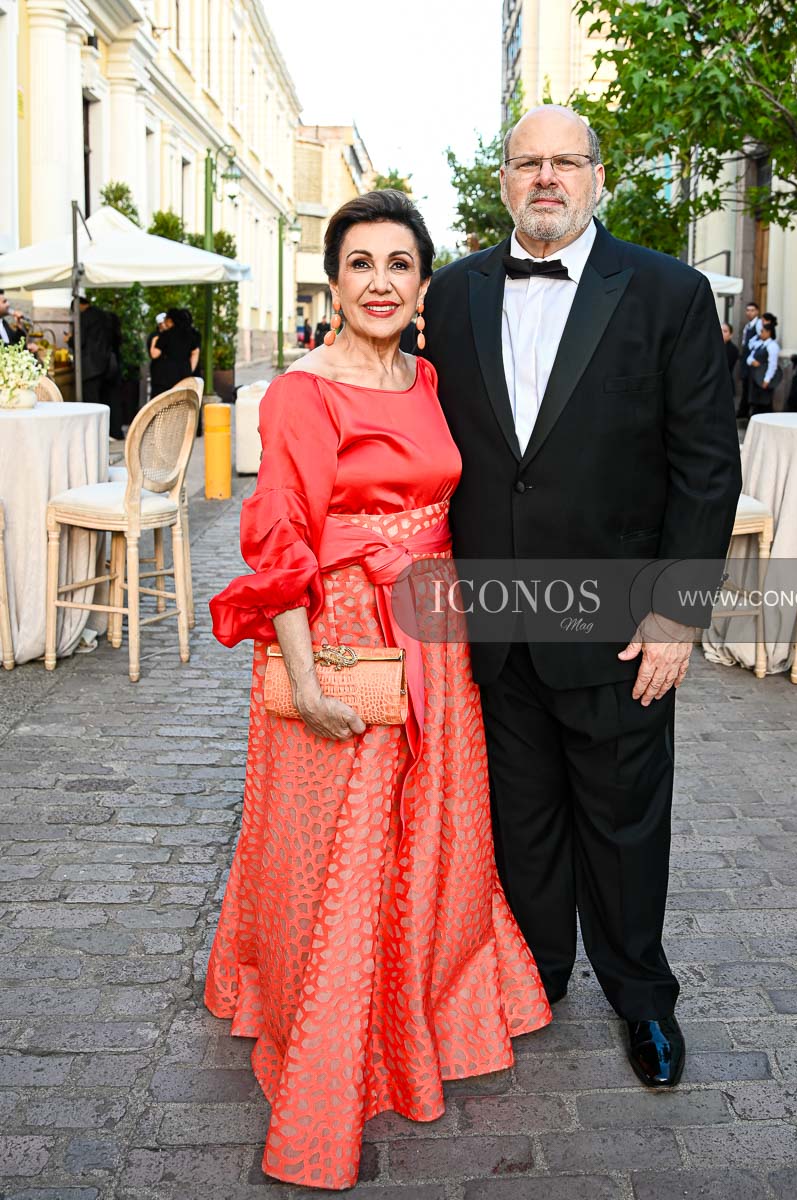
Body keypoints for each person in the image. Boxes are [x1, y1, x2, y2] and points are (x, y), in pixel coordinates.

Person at [207, 189, 550, 1190]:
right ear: (332, 283)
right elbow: (279, 542)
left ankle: (421, 1009)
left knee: (434, 829)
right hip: (345, 634)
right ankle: (333, 1037)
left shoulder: (427, 377)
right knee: (345, 846)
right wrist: (302, 675)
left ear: (423, 281)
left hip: (433, 627)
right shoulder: (300, 393)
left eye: (399, 264)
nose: (381, 282)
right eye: (361, 264)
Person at [422, 106, 741, 1090]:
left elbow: (706, 469)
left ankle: (643, 998)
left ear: (599, 176)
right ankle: (537, 980)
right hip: (492, 619)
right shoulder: (453, 293)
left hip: (618, 622)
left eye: (567, 161)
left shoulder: (669, 292)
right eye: (529, 162)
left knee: (624, 823)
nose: (547, 177)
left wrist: (678, 615)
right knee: (522, 820)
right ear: (504, 181)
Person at [65, 297, 121, 419]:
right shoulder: (103, 315)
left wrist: (69, 340)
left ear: (79, 306)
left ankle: (92, 427)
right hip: (105, 364)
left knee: (91, 403)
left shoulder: (84, 317)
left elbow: (79, 341)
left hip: (90, 367)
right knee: (102, 401)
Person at [149, 307, 199, 396]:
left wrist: (154, 341)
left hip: (166, 376)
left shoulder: (166, 335)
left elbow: (154, 354)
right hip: (184, 373)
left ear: (170, 320)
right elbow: (195, 352)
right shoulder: (190, 335)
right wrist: (190, 369)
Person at [747, 319, 781, 415]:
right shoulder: (759, 344)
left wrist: (767, 379)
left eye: (762, 331)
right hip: (756, 378)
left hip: (764, 378)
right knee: (755, 403)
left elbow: (772, 365)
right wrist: (752, 361)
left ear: (769, 332)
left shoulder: (772, 346)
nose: (760, 334)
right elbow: (749, 358)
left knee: (764, 404)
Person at [737, 301, 762, 418]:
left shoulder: (759, 324)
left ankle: (749, 411)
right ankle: (743, 410)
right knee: (745, 385)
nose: (749, 313)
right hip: (746, 359)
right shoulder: (747, 326)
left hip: (753, 360)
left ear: (757, 312)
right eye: (747, 310)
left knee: (751, 386)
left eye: (752, 310)